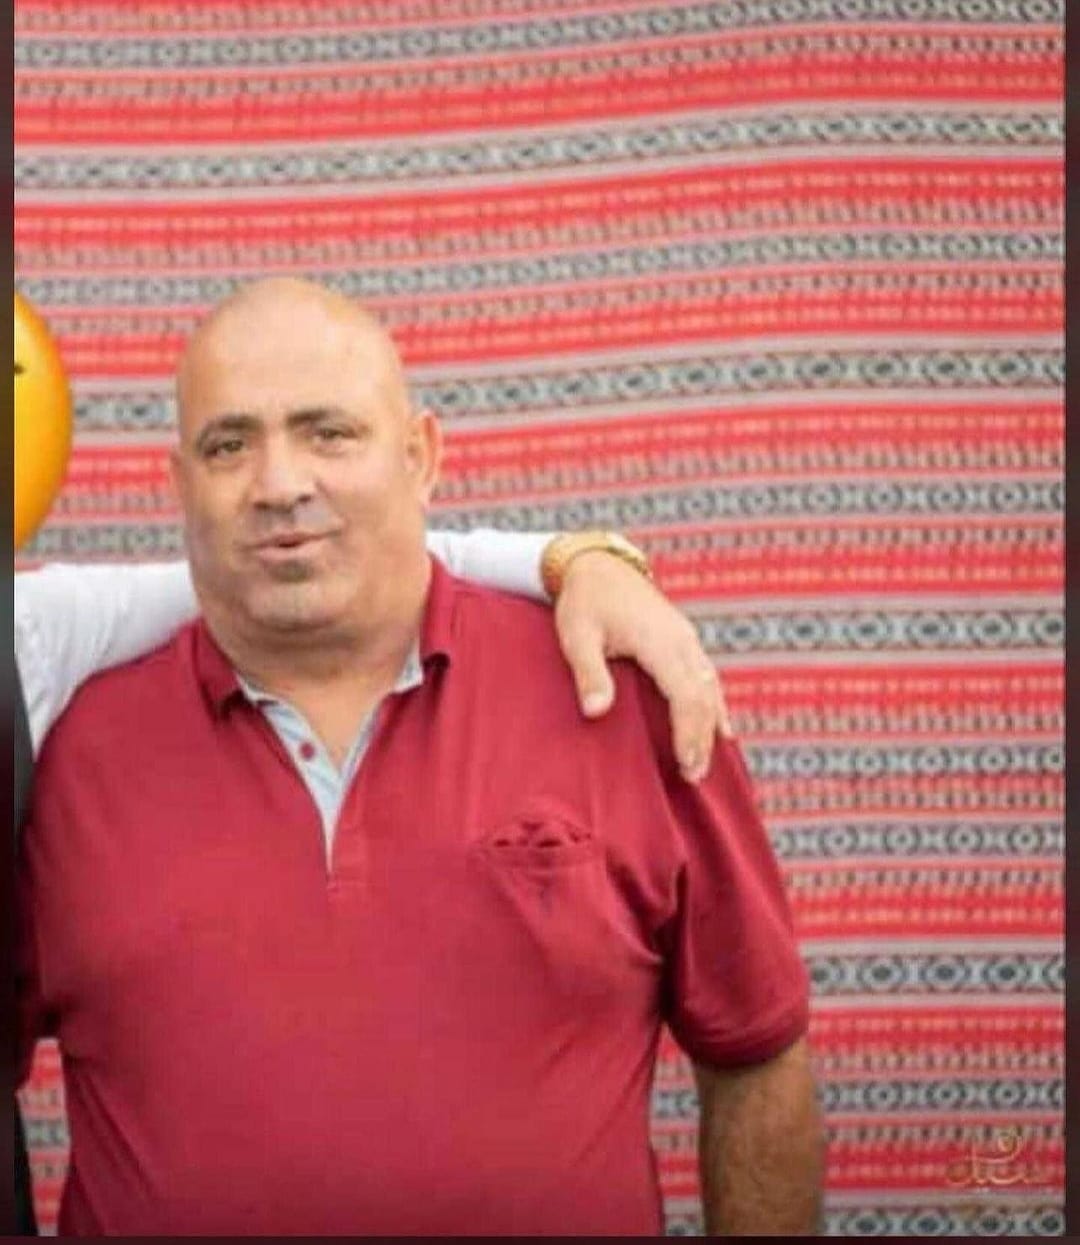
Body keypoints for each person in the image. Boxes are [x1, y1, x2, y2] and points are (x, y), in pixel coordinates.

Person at [17, 278, 823, 1236]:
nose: (278, 483)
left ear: (421, 456)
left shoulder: (621, 690)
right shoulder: (63, 750)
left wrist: (580, 558)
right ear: (180, 483)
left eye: (329, 433)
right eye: (228, 445)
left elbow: (756, 1048)